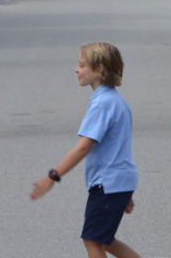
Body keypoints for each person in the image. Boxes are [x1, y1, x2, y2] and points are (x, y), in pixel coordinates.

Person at [31, 42, 141, 258]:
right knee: (103, 239)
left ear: (100, 70)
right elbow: (117, 148)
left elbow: (82, 148)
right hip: (116, 182)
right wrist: (124, 190)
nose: (76, 69)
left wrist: (52, 176)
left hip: (107, 183)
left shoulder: (102, 104)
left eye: (82, 65)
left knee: (93, 239)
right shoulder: (116, 100)